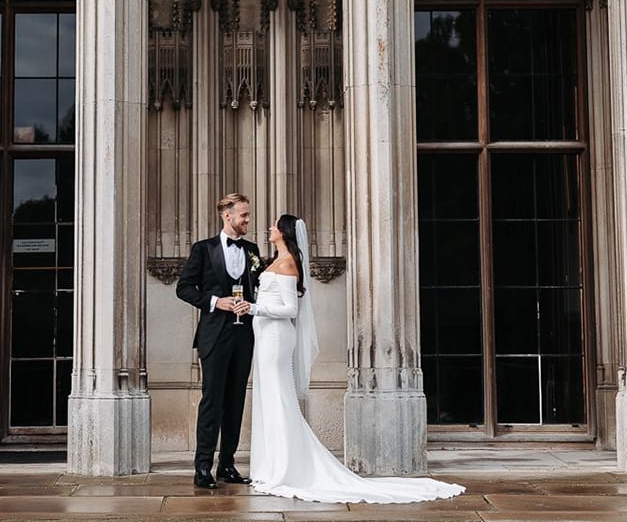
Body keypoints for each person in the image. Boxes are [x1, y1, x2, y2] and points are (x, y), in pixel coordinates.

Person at [247, 213, 465, 504]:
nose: (270, 228)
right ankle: (270, 465)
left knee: (278, 398)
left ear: (284, 233)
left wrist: (254, 309)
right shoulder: (274, 260)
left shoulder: (288, 264)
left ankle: (285, 467)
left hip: (275, 338)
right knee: (267, 399)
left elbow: (289, 309)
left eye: (275, 225)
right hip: (263, 338)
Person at [175, 192, 261, 489]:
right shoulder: (204, 249)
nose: (248, 220)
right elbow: (183, 288)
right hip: (214, 334)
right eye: (244, 215)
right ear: (227, 215)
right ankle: (202, 468)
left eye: (248, 215)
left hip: (244, 334)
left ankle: (227, 465)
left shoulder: (252, 249)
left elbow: (259, 286)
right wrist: (215, 302)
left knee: (236, 399)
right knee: (212, 399)